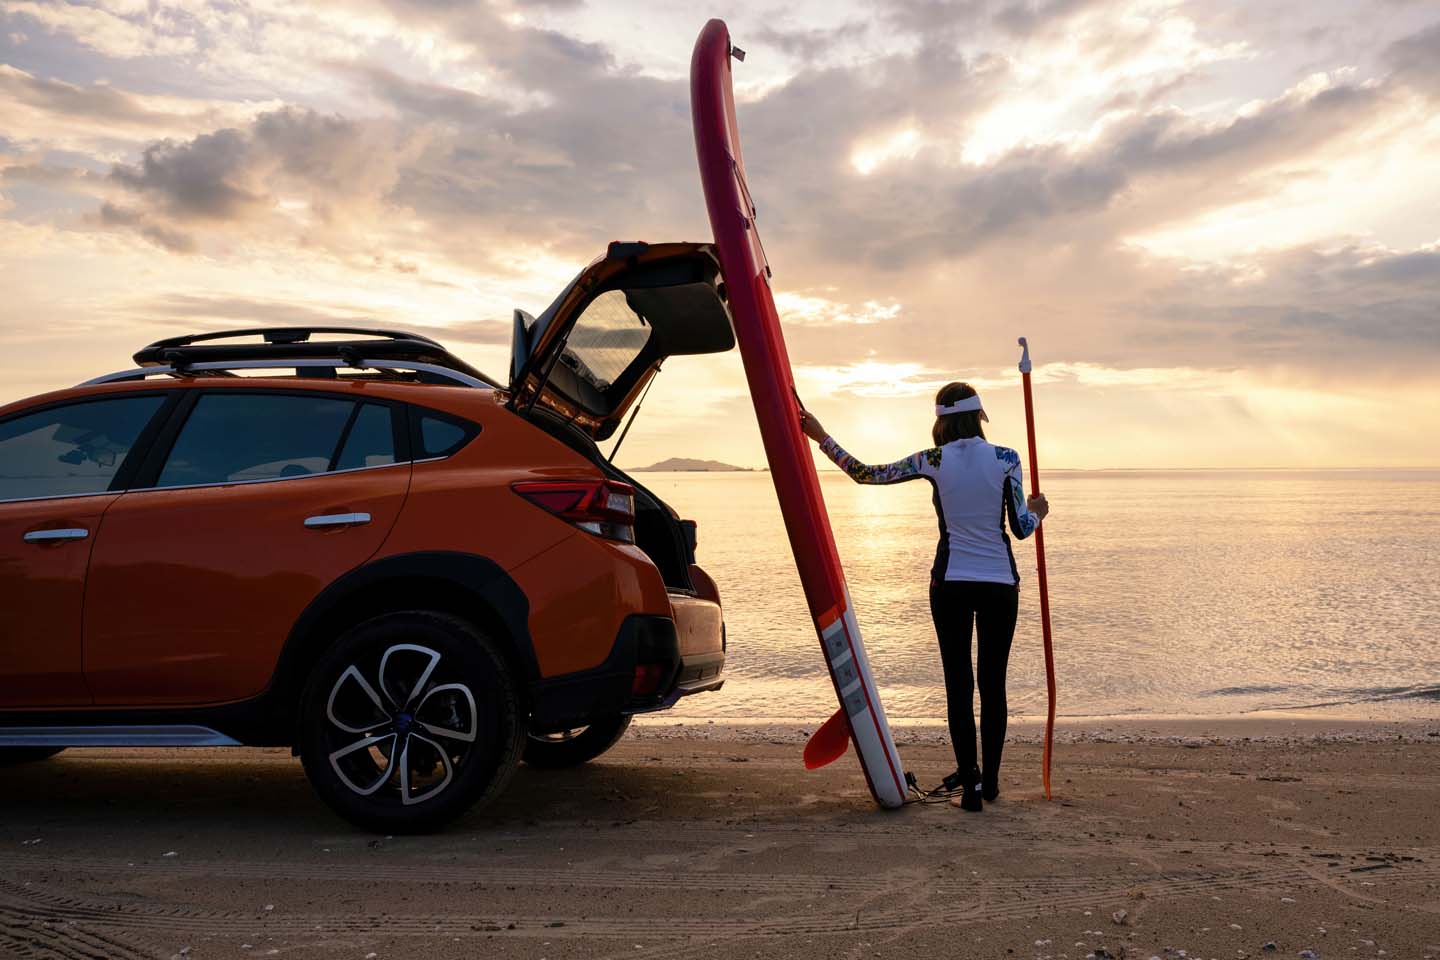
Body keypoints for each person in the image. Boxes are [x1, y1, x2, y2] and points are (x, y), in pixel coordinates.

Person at [798, 381, 1049, 812]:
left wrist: (821, 437)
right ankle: (990, 783)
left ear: (941, 422)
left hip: (949, 584)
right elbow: (1021, 528)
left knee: (958, 684)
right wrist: (1039, 511)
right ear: (978, 417)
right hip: (999, 585)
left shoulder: (932, 460)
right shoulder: (1007, 459)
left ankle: (969, 787)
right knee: (993, 684)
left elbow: (866, 474)